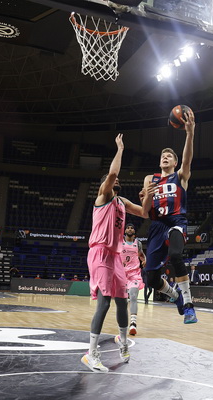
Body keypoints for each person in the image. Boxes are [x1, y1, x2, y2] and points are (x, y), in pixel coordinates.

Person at [81, 133, 147, 373]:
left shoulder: (122, 202)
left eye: (119, 180)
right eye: (113, 179)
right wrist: (120, 149)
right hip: (100, 253)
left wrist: (148, 195)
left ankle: (123, 345)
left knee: (122, 303)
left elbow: (145, 212)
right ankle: (91, 354)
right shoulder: (104, 195)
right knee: (104, 303)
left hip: (115, 257)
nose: (116, 180)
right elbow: (110, 174)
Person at [141, 108, 198, 324]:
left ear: (175, 162)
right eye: (162, 156)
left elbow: (188, 159)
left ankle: (190, 306)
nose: (165, 157)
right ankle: (176, 297)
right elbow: (145, 211)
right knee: (151, 278)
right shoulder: (150, 179)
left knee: (175, 255)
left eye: (169, 156)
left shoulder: (180, 176)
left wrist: (189, 134)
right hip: (156, 225)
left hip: (176, 222)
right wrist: (147, 195)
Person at [120, 223, 146, 336]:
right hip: (121, 274)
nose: (130, 229)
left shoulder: (138, 244)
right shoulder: (120, 242)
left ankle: (133, 324)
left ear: (134, 231)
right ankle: (123, 324)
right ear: (125, 230)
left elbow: (141, 255)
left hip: (134, 274)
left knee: (133, 296)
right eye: (128, 228)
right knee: (123, 301)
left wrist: (145, 260)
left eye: (132, 228)